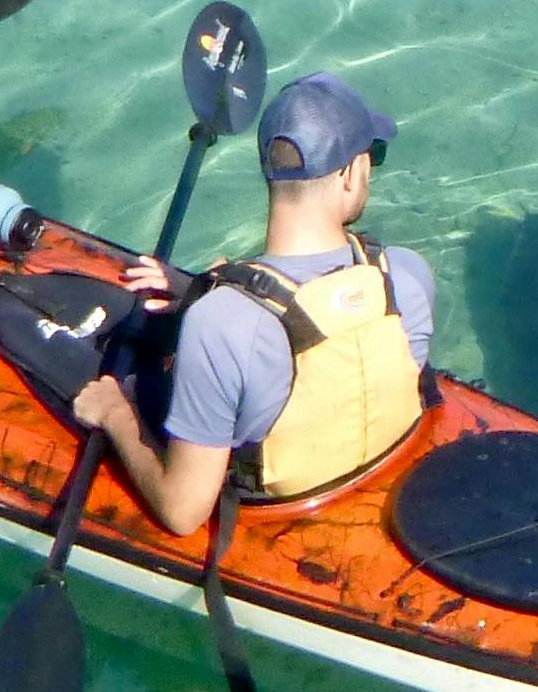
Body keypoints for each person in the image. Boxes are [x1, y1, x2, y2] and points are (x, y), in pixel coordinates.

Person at [75, 71, 436, 531]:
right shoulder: (405, 276)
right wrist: (201, 294)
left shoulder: (221, 325)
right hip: (386, 480)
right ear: (350, 174)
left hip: (281, 508)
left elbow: (183, 513)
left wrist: (113, 411)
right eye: (373, 156)